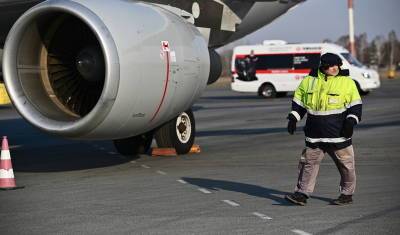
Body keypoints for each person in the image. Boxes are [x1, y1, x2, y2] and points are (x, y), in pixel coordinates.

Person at [285, 53, 362, 206]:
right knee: (308, 164)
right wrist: (293, 118)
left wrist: (350, 122)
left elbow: (356, 106)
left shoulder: (347, 82)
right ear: (323, 66)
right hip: (314, 135)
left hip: (338, 135)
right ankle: (302, 193)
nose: (335, 68)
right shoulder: (308, 81)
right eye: (331, 66)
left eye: (337, 65)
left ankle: (347, 194)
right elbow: (299, 103)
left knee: (346, 166)